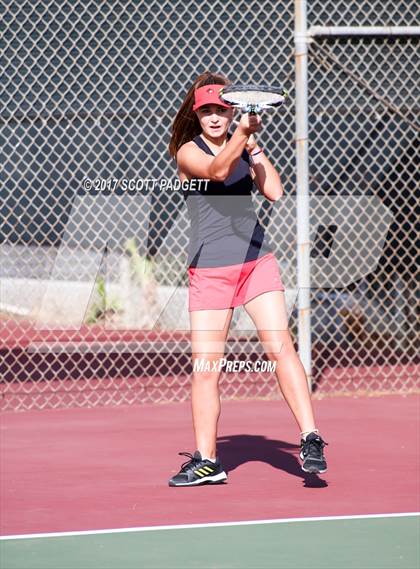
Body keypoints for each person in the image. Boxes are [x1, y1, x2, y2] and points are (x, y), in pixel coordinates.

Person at [167, 71, 328, 487]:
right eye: (206, 111)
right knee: (206, 368)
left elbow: (273, 191)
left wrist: (254, 148)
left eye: (221, 109)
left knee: (281, 349)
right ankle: (208, 461)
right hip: (210, 272)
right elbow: (217, 172)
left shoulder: (245, 145)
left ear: (230, 109)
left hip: (256, 263)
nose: (215, 117)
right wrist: (242, 134)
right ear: (196, 114)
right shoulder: (188, 152)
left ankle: (311, 438)